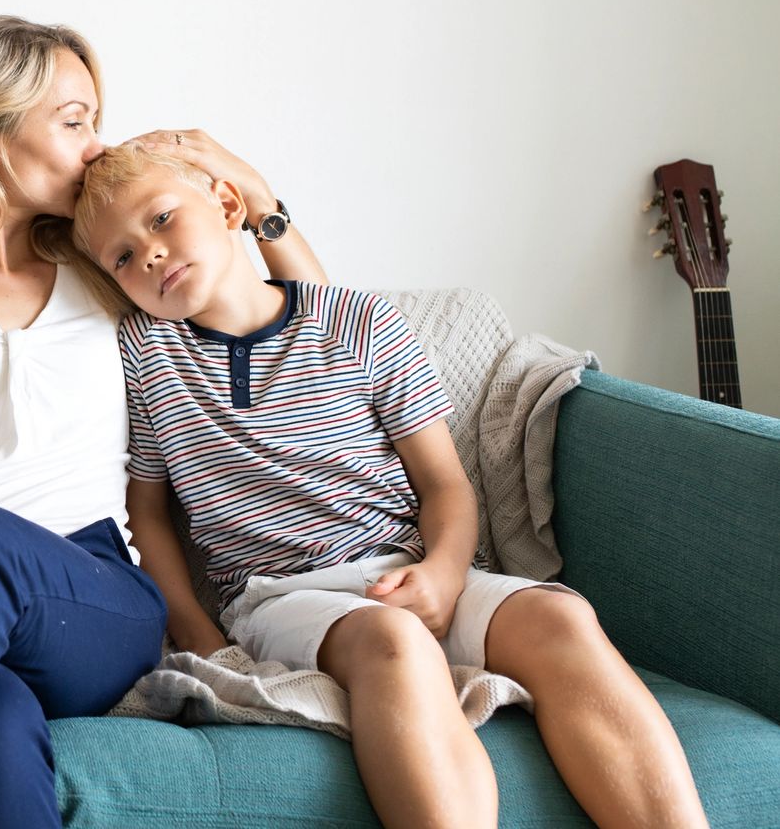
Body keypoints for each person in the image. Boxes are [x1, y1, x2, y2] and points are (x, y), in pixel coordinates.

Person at [0, 14, 329, 828]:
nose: (95, 148)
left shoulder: (112, 269)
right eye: (74, 122)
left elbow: (307, 331)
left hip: (94, 595)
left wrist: (256, 199)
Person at [71, 141, 709, 829]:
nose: (151, 255)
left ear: (228, 206)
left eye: (162, 220)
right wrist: (196, 631)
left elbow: (445, 483)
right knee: (394, 643)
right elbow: (149, 513)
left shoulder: (358, 320)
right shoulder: (144, 352)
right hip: (283, 597)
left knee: (561, 618)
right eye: (123, 258)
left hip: (407, 564)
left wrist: (443, 570)